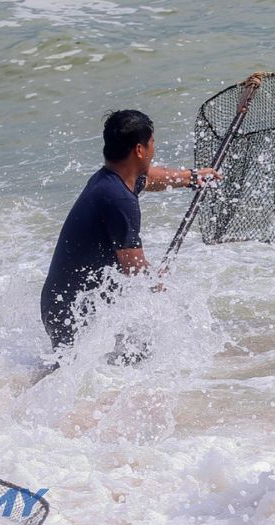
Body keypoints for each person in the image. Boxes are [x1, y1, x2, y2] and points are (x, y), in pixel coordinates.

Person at [40, 109, 219, 351]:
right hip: (72, 312)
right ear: (139, 149)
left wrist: (191, 177)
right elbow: (133, 267)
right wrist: (159, 283)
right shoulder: (118, 199)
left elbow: (150, 178)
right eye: (152, 143)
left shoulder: (110, 179)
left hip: (64, 304)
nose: (153, 150)